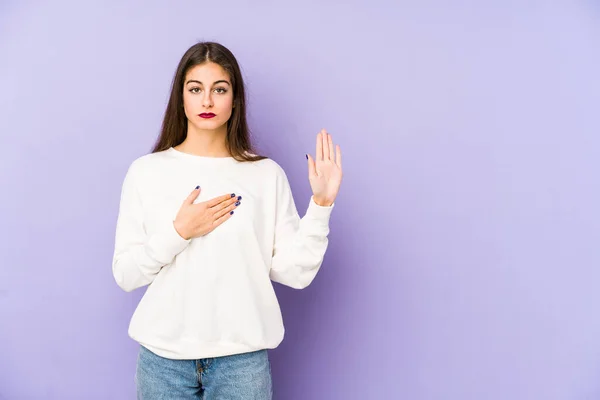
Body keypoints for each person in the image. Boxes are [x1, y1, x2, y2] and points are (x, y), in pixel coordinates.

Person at [111, 41, 343, 399]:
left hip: (241, 364)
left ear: (234, 100)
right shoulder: (146, 172)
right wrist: (179, 232)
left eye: (219, 89)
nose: (207, 101)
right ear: (181, 98)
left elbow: (295, 272)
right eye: (195, 89)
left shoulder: (265, 175)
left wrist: (321, 204)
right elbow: (126, 274)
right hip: (163, 363)